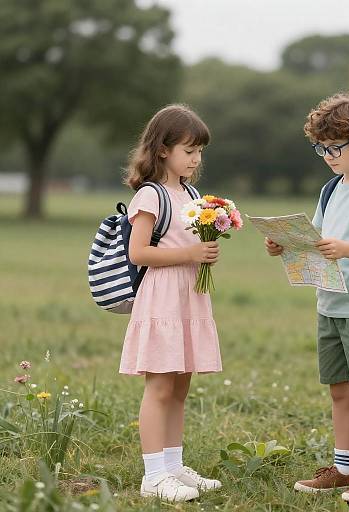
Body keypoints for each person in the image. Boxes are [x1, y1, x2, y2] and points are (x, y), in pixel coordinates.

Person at [265, 92, 349, 505]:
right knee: (339, 391)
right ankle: (343, 470)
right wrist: (283, 246)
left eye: (334, 148)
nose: (327, 155)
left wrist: (345, 248)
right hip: (330, 305)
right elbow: (315, 242)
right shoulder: (329, 189)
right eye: (320, 148)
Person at [120, 104, 223, 502]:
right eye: (189, 151)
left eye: (200, 152)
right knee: (159, 388)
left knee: (180, 388)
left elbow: (191, 245)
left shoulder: (193, 194)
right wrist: (191, 255)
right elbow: (139, 253)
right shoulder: (151, 196)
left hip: (190, 298)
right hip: (162, 298)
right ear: (163, 150)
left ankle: (174, 464)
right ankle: (154, 476)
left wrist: (206, 252)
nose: (196, 159)